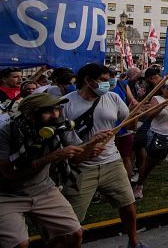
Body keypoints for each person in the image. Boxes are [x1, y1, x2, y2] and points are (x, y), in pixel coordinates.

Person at [0, 93, 107, 248]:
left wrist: (91, 145)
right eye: (48, 111)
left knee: (73, 234)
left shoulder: (59, 125)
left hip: (43, 189)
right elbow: (9, 173)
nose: (55, 115)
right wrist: (53, 156)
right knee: (19, 244)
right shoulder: (6, 132)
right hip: (6, 195)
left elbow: (77, 158)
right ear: (30, 114)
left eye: (57, 109)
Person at [61, 63, 148, 248]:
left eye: (109, 81)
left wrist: (135, 114)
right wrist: (87, 148)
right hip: (82, 168)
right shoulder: (67, 104)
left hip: (112, 161)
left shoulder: (113, 98)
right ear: (88, 80)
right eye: (103, 80)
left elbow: (130, 126)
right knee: (71, 220)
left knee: (128, 205)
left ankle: (134, 242)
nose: (107, 85)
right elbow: (69, 146)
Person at [132, 78, 168, 199]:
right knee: (151, 163)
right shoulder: (156, 99)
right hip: (158, 134)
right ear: (162, 89)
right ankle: (139, 185)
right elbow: (149, 115)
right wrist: (162, 105)